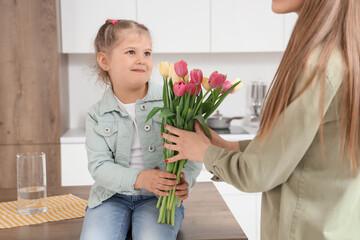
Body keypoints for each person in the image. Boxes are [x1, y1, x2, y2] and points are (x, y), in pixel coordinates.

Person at [162, 0, 360, 239]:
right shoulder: (345, 53)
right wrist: (224, 146)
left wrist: (204, 152)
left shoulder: (317, 64)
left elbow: (257, 173)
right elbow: (308, 152)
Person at [80, 19, 202, 240]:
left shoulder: (172, 102)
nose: (141, 60)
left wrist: (187, 180)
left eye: (147, 53)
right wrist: (140, 178)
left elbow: (193, 152)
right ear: (104, 60)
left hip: (159, 198)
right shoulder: (97, 114)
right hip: (110, 197)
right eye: (130, 52)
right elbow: (99, 166)